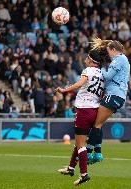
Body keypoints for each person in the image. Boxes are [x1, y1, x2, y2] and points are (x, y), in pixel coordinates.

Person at [56, 49, 104, 186]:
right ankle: (71, 168)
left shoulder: (87, 71)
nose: (85, 59)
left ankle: (84, 174)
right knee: (79, 142)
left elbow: (79, 84)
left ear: (90, 60)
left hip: (84, 110)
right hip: (95, 110)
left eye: (86, 57)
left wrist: (64, 90)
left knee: (81, 144)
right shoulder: (102, 74)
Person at [86, 40, 130, 164]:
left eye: (108, 51)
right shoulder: (122, 60)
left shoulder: (119, 59)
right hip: (117, 95)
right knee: (98, 124)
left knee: (96, 124)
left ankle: (88, 153)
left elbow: (108, 76)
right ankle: (97, 153)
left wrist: (99, 69)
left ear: (113, 49)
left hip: (114, 95)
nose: (108, 54)